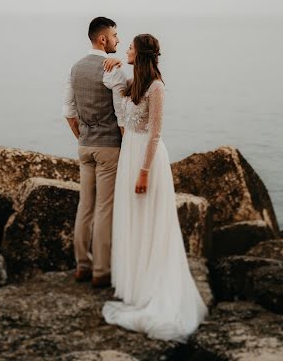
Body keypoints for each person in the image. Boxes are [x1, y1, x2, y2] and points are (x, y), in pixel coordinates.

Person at [101, 34, 208, 341]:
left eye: (130, 48)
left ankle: (154, 285)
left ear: (143, 53)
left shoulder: (156, 87)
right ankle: (135, 283)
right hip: (129, 154)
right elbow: (123, 114)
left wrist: (144, 172)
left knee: (150, 219)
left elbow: (156, 133)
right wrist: (117, 67)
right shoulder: (135, 83)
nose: (126, 50)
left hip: (147, 159)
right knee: (132, 217)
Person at [63, 17, 127, 288]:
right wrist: (127, 147)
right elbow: (121, 115)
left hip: (85, 146)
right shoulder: (111, 69)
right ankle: (101, 270)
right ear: (103, 39)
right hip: (108, 147)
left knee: (85, 206)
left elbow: (68, 111)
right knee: (104, 208)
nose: (118, 40)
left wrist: (82, 137)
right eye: (114, 35)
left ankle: (82, 265)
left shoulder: (75, 68)